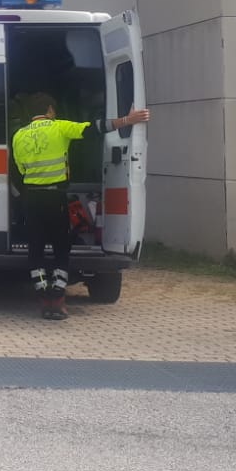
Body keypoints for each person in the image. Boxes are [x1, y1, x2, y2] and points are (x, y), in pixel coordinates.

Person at [12, 93, 149, 321]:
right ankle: (58, 297)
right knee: (61, 248)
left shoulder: (19, 135)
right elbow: (95, 128)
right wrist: (128, 120)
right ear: (50, 110)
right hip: (55, 198)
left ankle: (43, 295)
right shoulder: (59, 127)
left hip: (32, 199)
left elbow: (20, 170)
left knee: (35, 249)